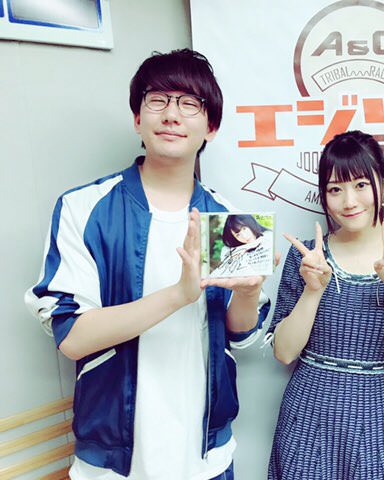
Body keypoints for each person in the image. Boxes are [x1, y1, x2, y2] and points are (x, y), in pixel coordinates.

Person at [24, 49, 270, 480]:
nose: (172, 114)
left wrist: (248, 294)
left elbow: (242, 335)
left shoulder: (227, 219)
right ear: (138, 118)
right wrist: (178, 295)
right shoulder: (84, 208)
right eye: (158, 100)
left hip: (207, 459)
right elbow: (72, 337)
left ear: (211, 127)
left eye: (189, 103)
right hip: (113, 465)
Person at [267, 130, 384, 480]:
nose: (348, 201)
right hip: (305, 420)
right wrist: (313, 290)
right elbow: (284, 353)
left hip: (375, 424)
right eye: (335, 189)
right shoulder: (307, 258)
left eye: (361, 185)